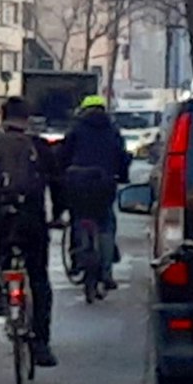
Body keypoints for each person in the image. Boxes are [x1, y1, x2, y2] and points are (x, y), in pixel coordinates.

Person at [0, 96, 60, 367]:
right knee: (39, 277)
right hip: (32, 220)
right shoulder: (40, 147)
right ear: (27, 119)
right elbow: (58, 184)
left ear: (2, 117)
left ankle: (0, 294)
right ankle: (41, 343)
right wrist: (57, 215)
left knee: (2, 246)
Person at [58, 94, 132, 297]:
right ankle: (107, 272)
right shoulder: (112, 130)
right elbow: (122, 157)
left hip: (78, 183)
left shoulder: (75, 129)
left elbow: (63, 155)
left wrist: (62, 173)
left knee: (77, 218)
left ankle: (77, 260)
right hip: (104, 184)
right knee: (106, 223)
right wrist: (122, 176)